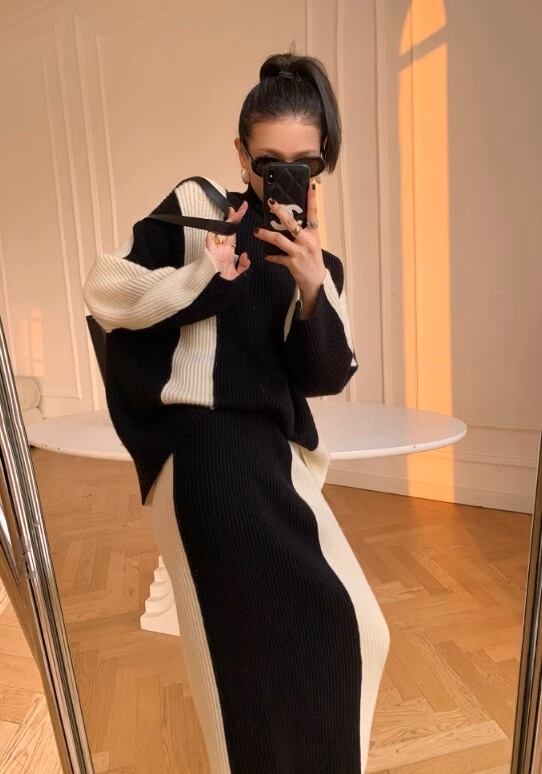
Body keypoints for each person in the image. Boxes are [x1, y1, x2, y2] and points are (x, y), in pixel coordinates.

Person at [82, 50, 390, 774]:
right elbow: (108, 291)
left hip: (277, 459)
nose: (284, 181)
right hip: (204, 453)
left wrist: (311, 285)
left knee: (359, 631)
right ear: (241, 155)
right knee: (238, 661)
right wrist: (205, 274)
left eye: (304, 166)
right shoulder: (196, 210)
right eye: (269, 163)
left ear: (322, 165)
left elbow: (326, 376)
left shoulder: (320, 263)